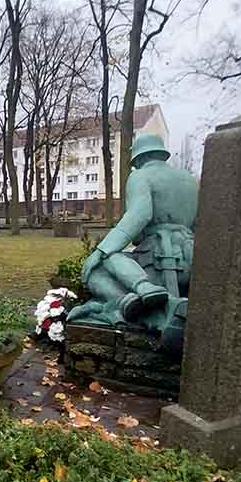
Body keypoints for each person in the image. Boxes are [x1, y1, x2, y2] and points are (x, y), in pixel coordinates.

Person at [68, 133, 199, 348]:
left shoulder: (140, 176)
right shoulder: (190, 180)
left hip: (158, 260)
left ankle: (142, 299)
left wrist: (100, 251)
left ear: (139, 158)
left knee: (99, 266)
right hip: (190, 261)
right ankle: (150, 299)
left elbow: (139, 216)